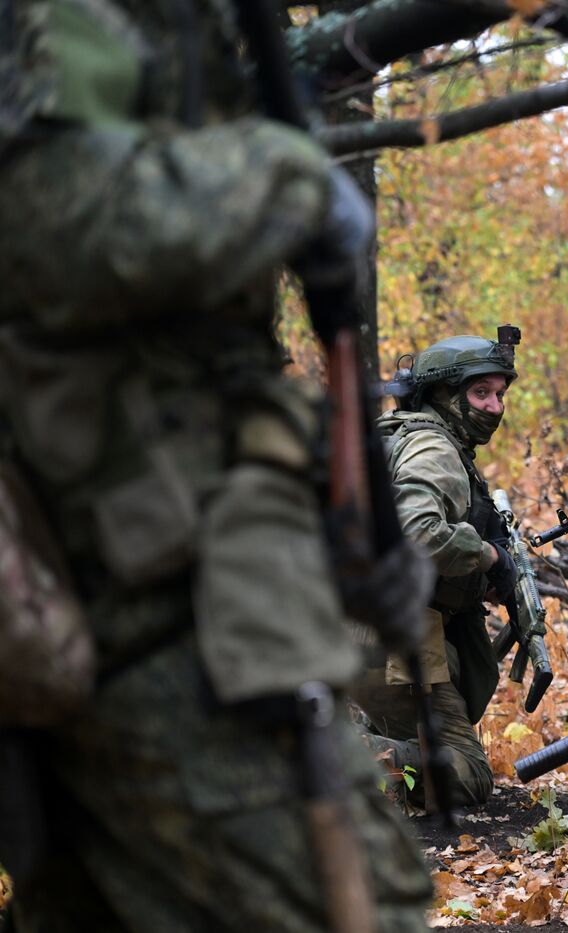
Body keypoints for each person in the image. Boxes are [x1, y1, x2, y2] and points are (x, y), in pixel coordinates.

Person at [0, 0, 432, 929]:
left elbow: (204, 364)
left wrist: (336, 530)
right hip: (134, 587)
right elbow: (57, 221)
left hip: (162, 572)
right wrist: (290, 179)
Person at [352, 333, 521, 809]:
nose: (494, 407)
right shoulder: (434, 448)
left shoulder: (394, 434)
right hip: (391, 643)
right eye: (480, 393)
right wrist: (486, 556)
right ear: (444, 396)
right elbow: (416, 532)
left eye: (500, 394)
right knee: (467, 776)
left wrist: (472, 580)